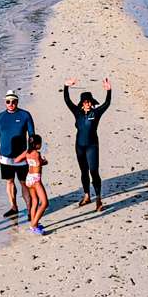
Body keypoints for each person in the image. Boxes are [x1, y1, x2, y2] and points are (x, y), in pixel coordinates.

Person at [63, 78, 113, 208]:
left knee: (94, 171)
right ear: (82, 103)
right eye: (85, 102)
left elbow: (107, 103)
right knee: (83, 171)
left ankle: (98, 198)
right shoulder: (77, 112)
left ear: (91, 102)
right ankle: (86, 196)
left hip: (92, 146)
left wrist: (109, 90)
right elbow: (67, 101)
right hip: (79, 146)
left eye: (89, 102)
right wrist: (66, 86)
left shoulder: (96, 113)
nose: (87, 104)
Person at [0, 91, 38, 223]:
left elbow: (32, 136)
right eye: (8, 101)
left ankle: (30, 210)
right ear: (5, 102)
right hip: (5, 157)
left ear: (17, 102)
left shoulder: (25, 115)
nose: (11, 104)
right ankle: (14, 207)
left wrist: (31, 153)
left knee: (24, 183)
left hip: (22, 157)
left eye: (13, 101)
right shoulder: (0, 117)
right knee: (9, 182)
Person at [20, 133, 50, 235]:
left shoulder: (27, 153)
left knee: (35, 201)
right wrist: (44, 161)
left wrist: (28, 161)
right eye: (40, 143)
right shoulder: (37, 154)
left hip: (29, 178)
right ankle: (34, 224)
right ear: (37, 145)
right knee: (45, 203)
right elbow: (39, 163)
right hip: (36, 179)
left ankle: (34, 225)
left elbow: (16, 159)